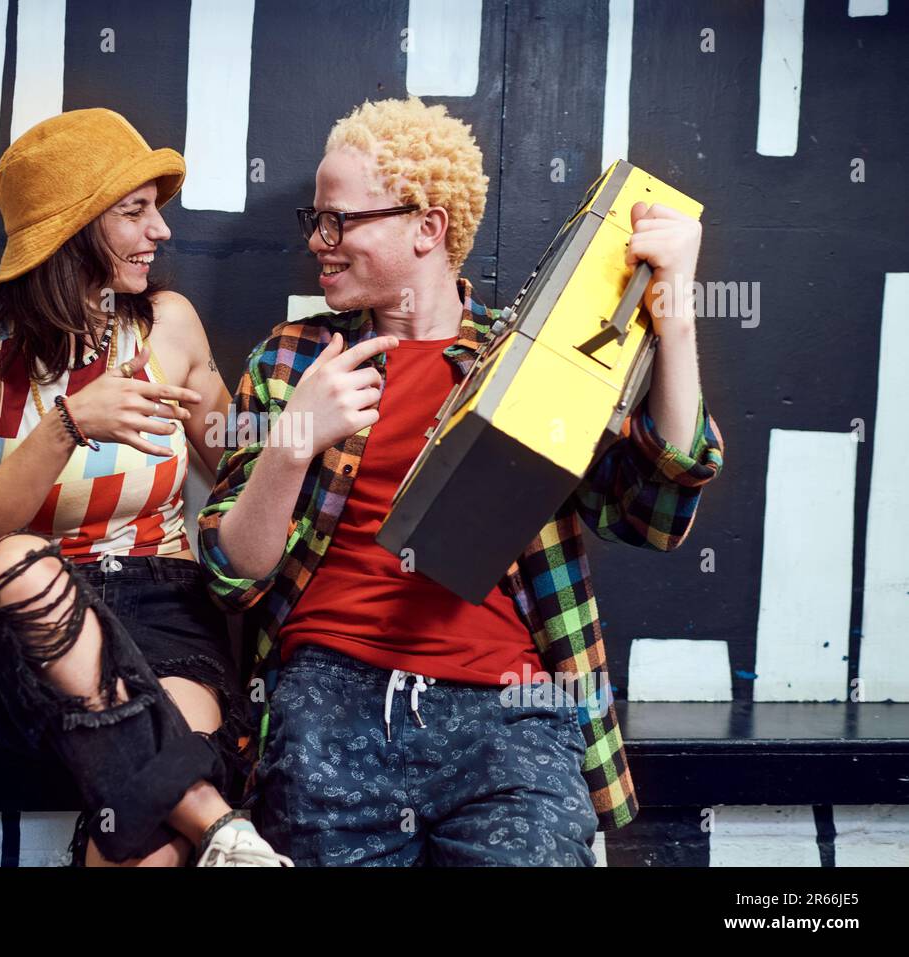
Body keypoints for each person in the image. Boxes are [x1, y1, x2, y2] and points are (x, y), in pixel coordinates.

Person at [198, 96, 726, 865]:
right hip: (329, 696)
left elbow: (655, 512)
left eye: (340, 220)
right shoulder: (291, 359)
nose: (320, 241)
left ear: (427, 226)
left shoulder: (531, 359)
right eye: (315, 221)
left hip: (507, 711)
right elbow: (231, 577)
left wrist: (673, 314)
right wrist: (292, 443)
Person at [0, 107, 292, 867]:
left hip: (165, 608)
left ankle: (217, 833)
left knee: (149, 842)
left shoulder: (169, 327)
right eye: (134, 211)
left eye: (156, 210)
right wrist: (67, 423)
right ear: (70, 229)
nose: (160, 231)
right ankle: (219, 821)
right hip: (36, 626)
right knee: (12, 559)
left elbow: (236, 465)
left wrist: (296, 430)